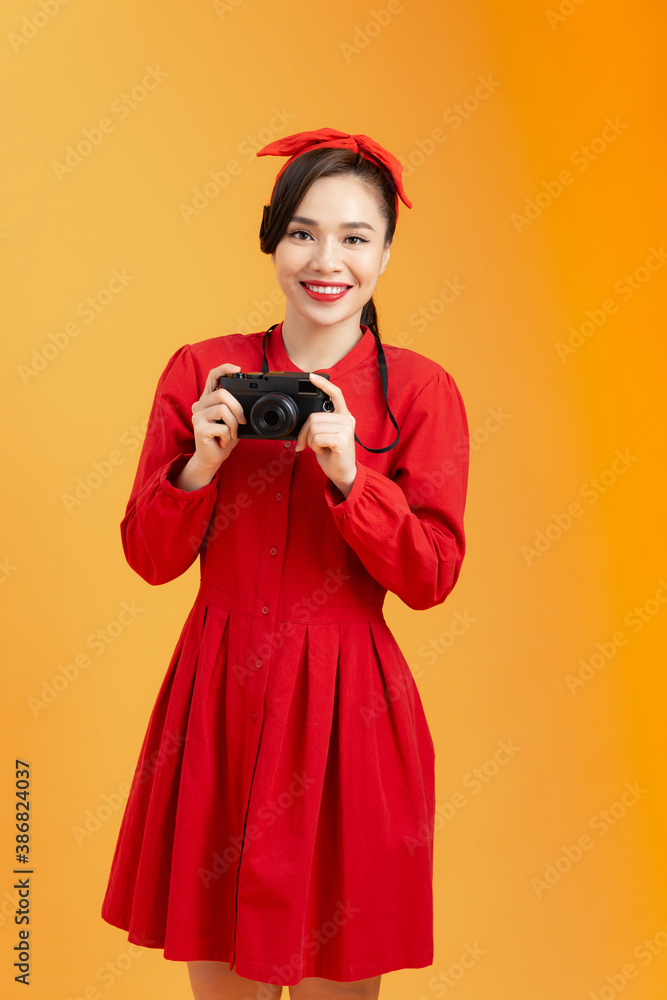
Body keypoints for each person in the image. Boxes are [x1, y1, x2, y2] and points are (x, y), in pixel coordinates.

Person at [100, 127, 470, 1000]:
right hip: (215, 698)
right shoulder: (203, 371)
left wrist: (352, 479)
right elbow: (148, 560)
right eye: (302, 232)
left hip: (349, 711)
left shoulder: (420, 391)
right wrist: (199, 465)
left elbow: (431, 577)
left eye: (354, 237)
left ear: (385, 251)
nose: (326, 260)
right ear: (273, 239)